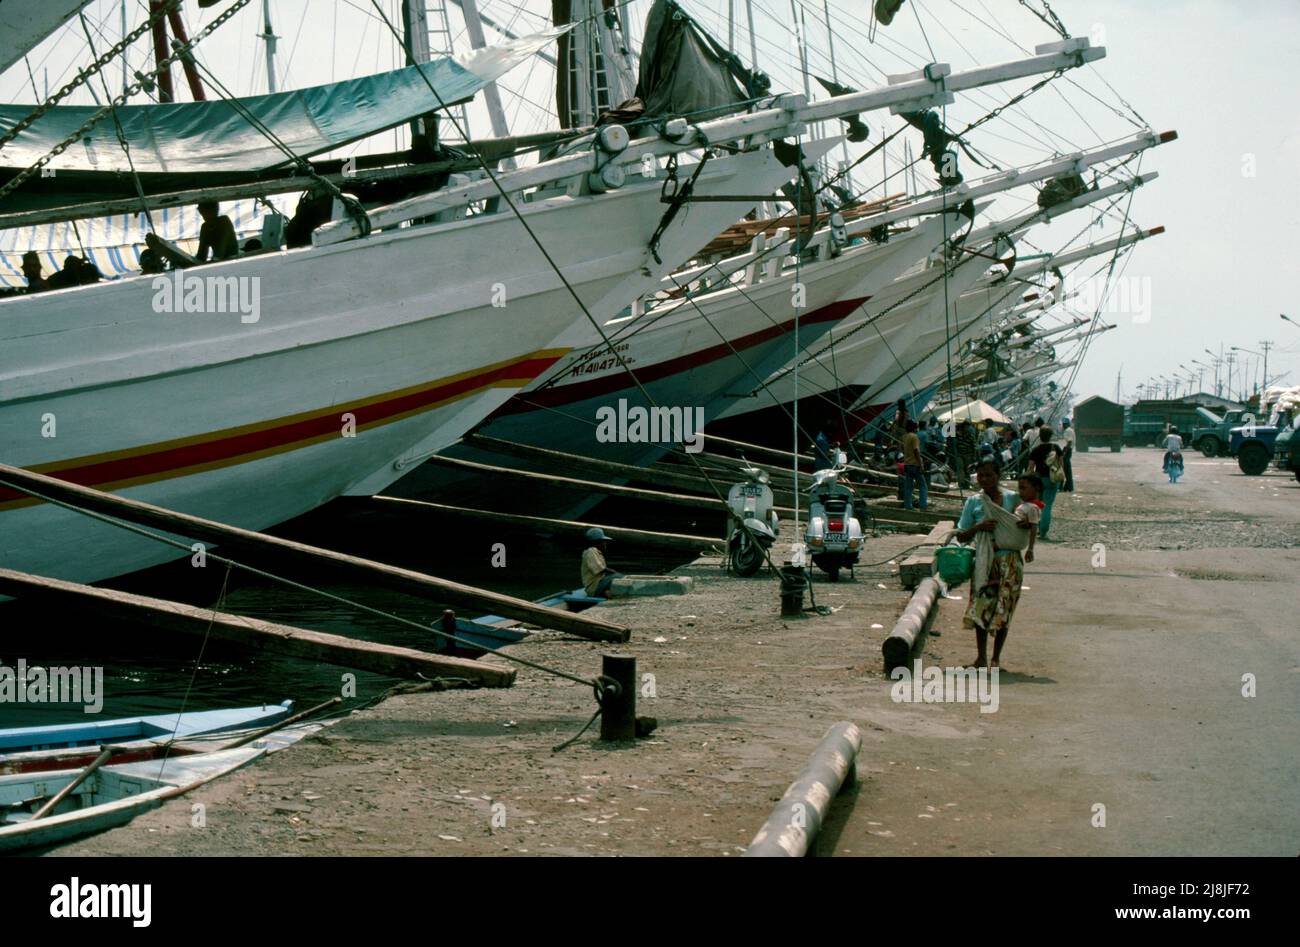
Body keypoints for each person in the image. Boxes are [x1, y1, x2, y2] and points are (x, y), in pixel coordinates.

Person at [955, 459, 1025, 669]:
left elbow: (1027, 522)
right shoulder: (974, 502)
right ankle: (981, 657)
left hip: (1010, 562)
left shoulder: (1013, 498)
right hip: (984, 562)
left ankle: (996, 658)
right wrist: (979, 527)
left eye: (989, 475)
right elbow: (961, 536)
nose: (984, 479)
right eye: (981, 476)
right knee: (981, 607)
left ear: (998, 475)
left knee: (1005, 609)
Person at [1028, 425, 1064, 540]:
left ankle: (1038, 528)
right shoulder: (1056, 448)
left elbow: (1030, 468)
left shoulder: (1035, 449)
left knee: (1038, 505)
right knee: (1047, 505)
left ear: (1040, 436)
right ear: (1051, 436)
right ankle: (1043, 532)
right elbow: (1061, 465)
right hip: (1052, 480)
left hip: (1039, 480)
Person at [581, 527, 622, 597]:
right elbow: (600, 569)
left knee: (617, 577)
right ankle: (605, 593)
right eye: (604, 541)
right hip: (594, 588)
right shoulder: (591, 551)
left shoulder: (595, 552)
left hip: (597, 585)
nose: (605, 543)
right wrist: (614, 572)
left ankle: (607, 593)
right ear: (597, 542)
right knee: (618, 576)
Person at [1015, 474, 1043, 564]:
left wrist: (1030, 549)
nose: (1020, 492)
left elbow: (1034, 527)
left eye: (1023, 488)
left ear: (1036, 489)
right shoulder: (1024, 504)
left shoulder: (1032, 507)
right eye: (1019, 489)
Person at [901, 419, 927, 511]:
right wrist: (921, 464)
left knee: (908, 487)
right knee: (923, 486)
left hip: (907, 464)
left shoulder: (905, 436)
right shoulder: (914, 437)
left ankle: (908, 506)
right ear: (914, 427)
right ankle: (923, 506)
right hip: (915, 464)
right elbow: (916, 451)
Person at [1059, 419, 1077, 491]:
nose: (1063, 426)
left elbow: (1069, 442)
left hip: (1067, 450)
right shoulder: (1070, 430)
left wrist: (1064, 453)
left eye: (1064, 424)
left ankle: (1065, 486)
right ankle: (1068, 486)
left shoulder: (1067, 431)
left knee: (1064, 469)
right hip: (1068, 450)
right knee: (1067, 470)